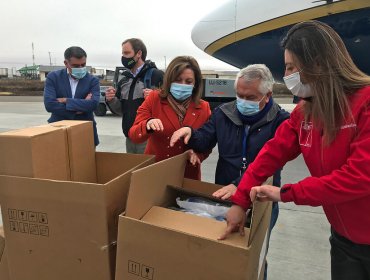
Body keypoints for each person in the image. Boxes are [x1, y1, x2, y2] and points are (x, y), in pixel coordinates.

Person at [220, 20, 370, 280]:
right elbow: (271, 153)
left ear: (318, 63)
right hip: (345, 240)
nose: (287, 75)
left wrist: (287, 193)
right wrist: (240, 201)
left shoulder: (364, 103)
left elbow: (359, 176)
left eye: (291, 67)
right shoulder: (304, 112)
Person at [170, 64, 289, 279]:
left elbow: (272, 163)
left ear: (267, 95)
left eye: (250, 97)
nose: (242, 101)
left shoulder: (281, 121)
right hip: (225, 197)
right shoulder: (224, 113)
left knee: (255, 257)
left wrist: (240, 184)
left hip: (262, 200)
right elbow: (206, 137)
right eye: (239, 95)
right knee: (224, 254)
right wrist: (191, 132)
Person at [128, 56, 211, 180]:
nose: (182, 85)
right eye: (177, 80)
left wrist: (198, 155)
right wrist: (147, 124)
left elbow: (208, 141)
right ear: (168, 80)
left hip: (187, 175)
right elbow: (134, 134)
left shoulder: (203, 107)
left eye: (188, 82)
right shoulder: (154, 99)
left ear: (196, 83)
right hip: (156, 173)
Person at [105, 38, 164, 153]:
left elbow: (171, 105)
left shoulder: (156, 75)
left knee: (147, 171)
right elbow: (121, 111)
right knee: (133, 170)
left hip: (150, 138)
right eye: (122, 53)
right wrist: (111, 100)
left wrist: (155, 97)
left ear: (139, 54)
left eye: (127, 53)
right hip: (130, 137)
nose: (123, 57)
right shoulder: (124, 81)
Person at [44, 46, 100, 146]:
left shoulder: (92, 80)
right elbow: (49, 105)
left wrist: (66, 101)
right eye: (75, 65)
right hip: (59, 129)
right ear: (66, 63)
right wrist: (80, 109)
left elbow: (93, 104)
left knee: (86, 161)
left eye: (83, 65)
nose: (80, 68)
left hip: (85, 132)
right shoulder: (53, 77)